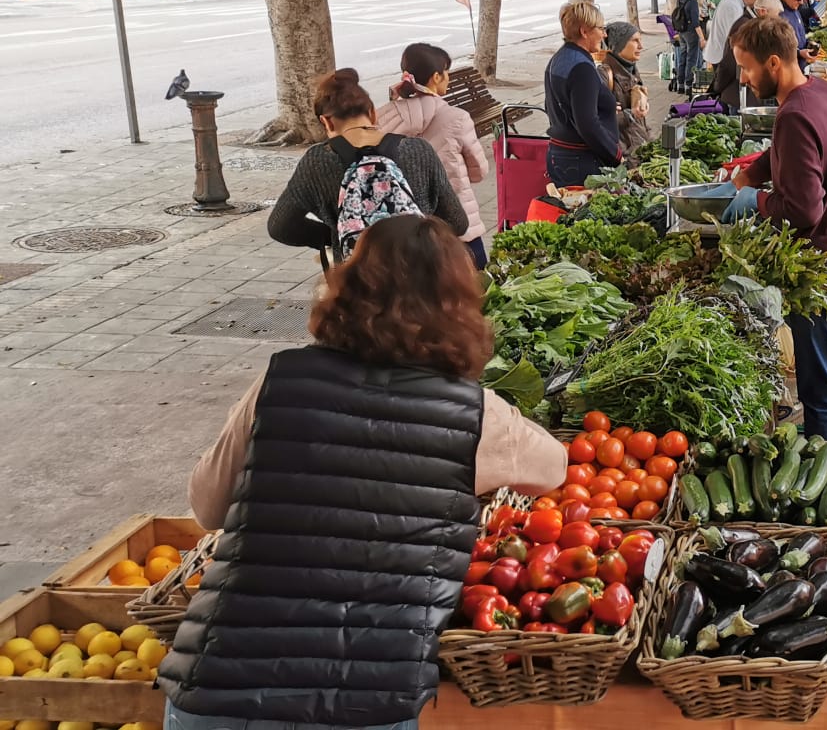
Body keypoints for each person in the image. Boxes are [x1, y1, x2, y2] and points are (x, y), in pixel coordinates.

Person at [160, 214, 567, 730]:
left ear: (347, 288)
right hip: (361, 704)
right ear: (458, 305)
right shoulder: (477, 415)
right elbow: (554, 468)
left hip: (217, 691)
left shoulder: (279, 380)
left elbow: (207, 507)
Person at [723, 17, 827, 444]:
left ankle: (819, 469)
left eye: (747, 68)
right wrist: (751, 173)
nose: (743, 78)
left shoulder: (794, 114)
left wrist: (756, 202)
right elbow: (794, 154)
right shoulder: (821, 92)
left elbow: (803, 210)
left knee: (818, 380)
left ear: (775, 63)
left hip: (826, 261)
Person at [269, 69, 467, 257]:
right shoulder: (418, 150)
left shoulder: (317, 161)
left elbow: (280, 226)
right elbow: (458, 222)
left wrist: (335, 235)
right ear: (372, 113)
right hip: (420, 279)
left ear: (326, 122)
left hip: (356, 284)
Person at [376, 43, 489, 269]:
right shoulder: (457, 118)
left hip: (402, 226)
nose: (448, 77)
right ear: (436, 77)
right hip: (456, 221)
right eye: (446, 72)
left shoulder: (383, 116)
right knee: (475, 283)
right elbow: (479, 171)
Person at [543, 2, 623, 187]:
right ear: (584, 31)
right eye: (601, 29)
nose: (604, 34)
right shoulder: (582, 67)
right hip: (582, 162)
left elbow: (555, 105)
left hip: (561, 156)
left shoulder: (559, 58)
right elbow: (588, 124)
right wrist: (615, 155)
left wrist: (605, 109)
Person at [710, 0, 778, 109]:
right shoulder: (745, 28)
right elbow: (729, 63)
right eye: (774, 17)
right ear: (762, 12)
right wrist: (717, 87)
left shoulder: (754, 26)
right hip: (738, 96)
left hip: (746, 95)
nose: (776, 22)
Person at [597, 22, 651, 157]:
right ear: (618, 45)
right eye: (634, 41)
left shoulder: (632, 69)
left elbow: (641, 122)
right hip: (624, 154)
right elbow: (597, 120)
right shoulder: (604, 74)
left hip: (640, 149)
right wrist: (631, 114)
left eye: (641, 40)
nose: (641, 46)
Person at [705, 0, 759, 77]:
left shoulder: (732, 2)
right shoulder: (733, 6)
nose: (755, 3)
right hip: (721, 54)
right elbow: (735, 33)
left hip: (720, 52)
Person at [671, 0, 707, 92]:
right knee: (692, 58)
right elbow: (696, 23)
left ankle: (680, 83)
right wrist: (702, 38)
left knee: (683, 57)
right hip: (691, 32)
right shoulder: (692, 1)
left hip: (682, 31)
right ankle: (689, 84)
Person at [780, 0, 816, 66]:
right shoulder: (779, 14)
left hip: (801, 65)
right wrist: (799, 53)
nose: (801, 2)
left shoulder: (795, 9)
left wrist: (809, 43)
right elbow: (780, 47)